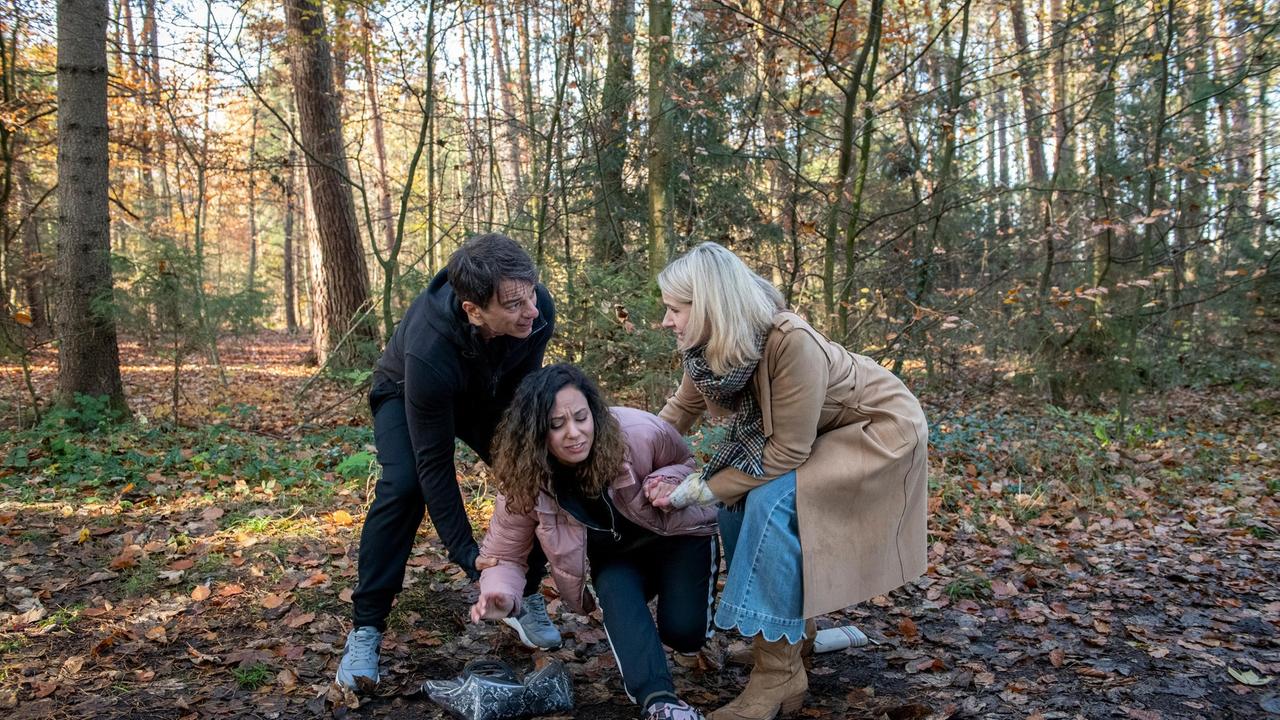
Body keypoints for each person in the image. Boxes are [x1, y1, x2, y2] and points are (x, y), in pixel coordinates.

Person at [645, 242, 928, 720]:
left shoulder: (789, 340)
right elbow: (677, 414)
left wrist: (696, 489)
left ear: (710, 305)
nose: (667, 320)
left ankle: (778, 676)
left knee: (771, 501)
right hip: (824, 431)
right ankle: (788, 639)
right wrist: (628, 456)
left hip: (879, 428)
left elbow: (787, 453)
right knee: (736, 504)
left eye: (675, 309)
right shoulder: (712, 351)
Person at [337, 233, 561, 690]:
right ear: (473, 310)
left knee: (537, 471)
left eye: (531, 294)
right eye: (514, 304)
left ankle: (525, 591)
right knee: (403, 487)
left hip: (488, 393)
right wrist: (469, 556)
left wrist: (522, 452)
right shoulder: (429, 345)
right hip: (407, 392)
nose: (532, 311)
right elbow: (434, 466)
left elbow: (523, 391)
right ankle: (366, 628)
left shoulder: (537, 313)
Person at [471, 364, 719, 720]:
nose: (574, 434)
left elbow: (685, 462)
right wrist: (503, 595)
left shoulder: (638, 432)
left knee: (683, 634)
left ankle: (690, 633)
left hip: (676, 538)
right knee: (615, 589)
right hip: (617, 557)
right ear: (535, 432)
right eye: (556, 425)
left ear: (594, 413)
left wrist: (665, 480)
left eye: (581, 418)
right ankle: (660, 703)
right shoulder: (524, 479)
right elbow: (504, 553)